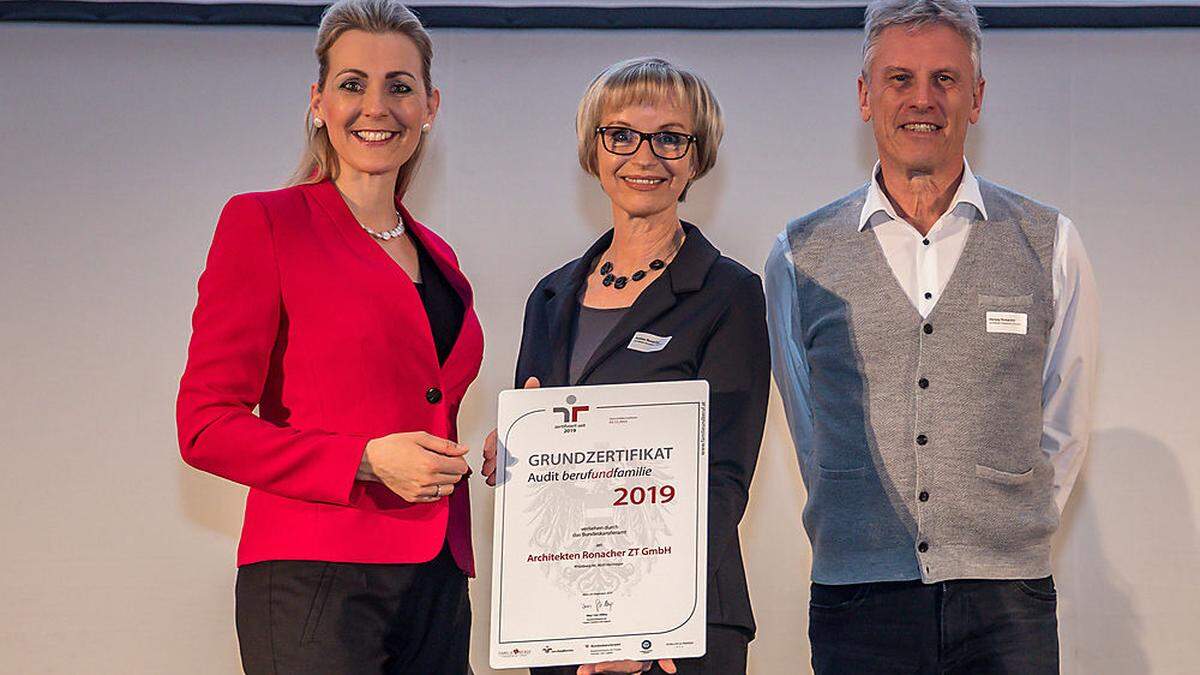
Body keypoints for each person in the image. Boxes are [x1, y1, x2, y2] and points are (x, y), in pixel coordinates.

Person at [765, 0, 1099, 672]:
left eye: (945, 79)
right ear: (866, 95)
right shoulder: (800, 254)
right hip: (857, 600)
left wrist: (1003, 525)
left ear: (976, 97)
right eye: (900, 79)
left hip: (1008, 601)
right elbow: (809, 426)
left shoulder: (1049, 241)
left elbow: (1065, 420)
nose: (924, 99)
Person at [175, 1, 483, 672]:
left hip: (436, 577)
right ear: (319, 101)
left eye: (399, 86)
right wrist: (365, 459)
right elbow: (204, 426)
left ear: (430, 104)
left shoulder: (441, 256)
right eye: (352, 84)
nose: (377, 106)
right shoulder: (264, 224)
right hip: (313, 578)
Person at [481, 57, 769, 675]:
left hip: (676, 632)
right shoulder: (550, 298)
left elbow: (723, 475)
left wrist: (636, 621)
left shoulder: (728, 294)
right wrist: (513, 455)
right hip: (561, 623)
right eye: (622, 135)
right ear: (595, 151)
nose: (645, 157)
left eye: (670, 138)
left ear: (696, 158)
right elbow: (546, 473)